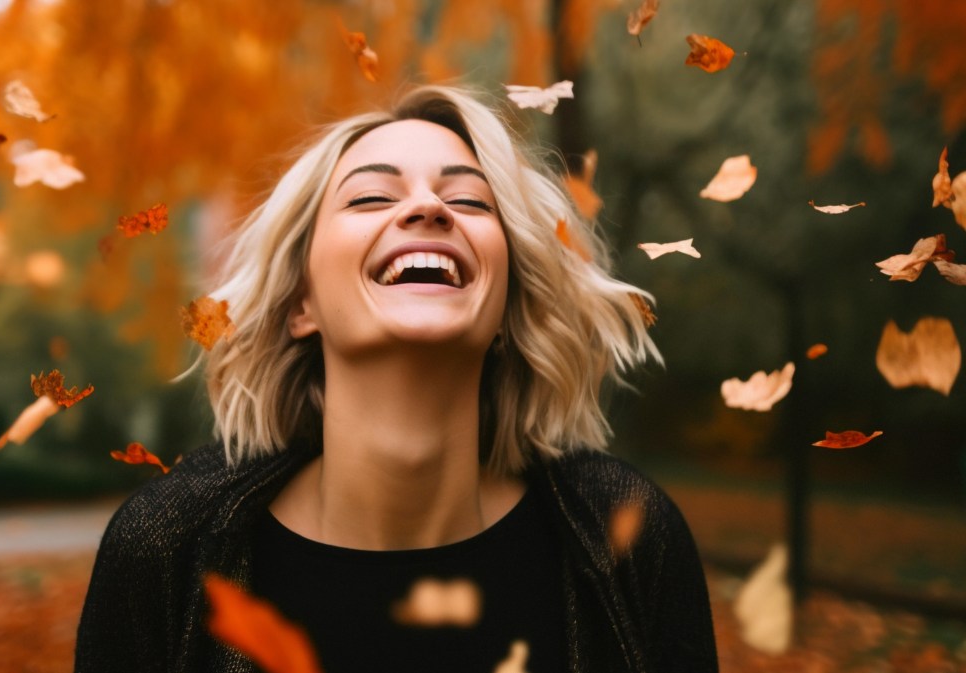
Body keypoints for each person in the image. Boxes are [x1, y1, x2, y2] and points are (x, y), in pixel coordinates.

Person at [75, 85, 718, 673]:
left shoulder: (632, 539)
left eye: (468, 200)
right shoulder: (164, 550)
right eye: (370, 196)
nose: (429, 207)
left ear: (506, 307)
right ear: (302, 303)